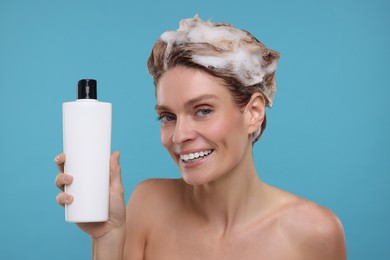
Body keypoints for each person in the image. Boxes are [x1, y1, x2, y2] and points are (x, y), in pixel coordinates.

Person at [54, 16, 346, 259]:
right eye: (168, 117)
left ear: (254, 112)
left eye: (203, 110)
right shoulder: (149, 204)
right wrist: (108, 235)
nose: (179, 136)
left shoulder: (313, 233)